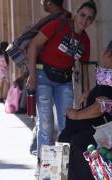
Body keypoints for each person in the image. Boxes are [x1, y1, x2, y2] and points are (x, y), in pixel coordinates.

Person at [26, 0, 97, 169]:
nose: (84, 20)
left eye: (89, 18)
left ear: (92, 21)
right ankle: (46, 172)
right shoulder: (59, 24)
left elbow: (84, 67)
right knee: (46, 125)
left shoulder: (85, 40)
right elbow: (33, 45)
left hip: (65, 81)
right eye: (82, 15)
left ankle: (60, 170)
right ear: (76, 13)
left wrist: (86, 90)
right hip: (43, 77)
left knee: (66, 125)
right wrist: (32, 75)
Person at [58, 40, 112, 180]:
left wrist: (76, 114)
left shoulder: (109, 76)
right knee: (67, 137)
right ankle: (60, 175)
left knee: (78, 141)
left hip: (106, 129)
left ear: (108, 54)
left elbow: (101, 107)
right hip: (102, 125)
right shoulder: (106, 75)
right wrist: (90, 93)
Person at [29, 0, 72, 156]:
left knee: (48, 125)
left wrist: (31, 75)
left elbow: (32, 45)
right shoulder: (67, 20)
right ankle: (54, 171)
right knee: (60, 125)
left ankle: (55, 170)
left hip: (47, 76)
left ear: (48, 3)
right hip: (49, 77)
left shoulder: (54, 21)